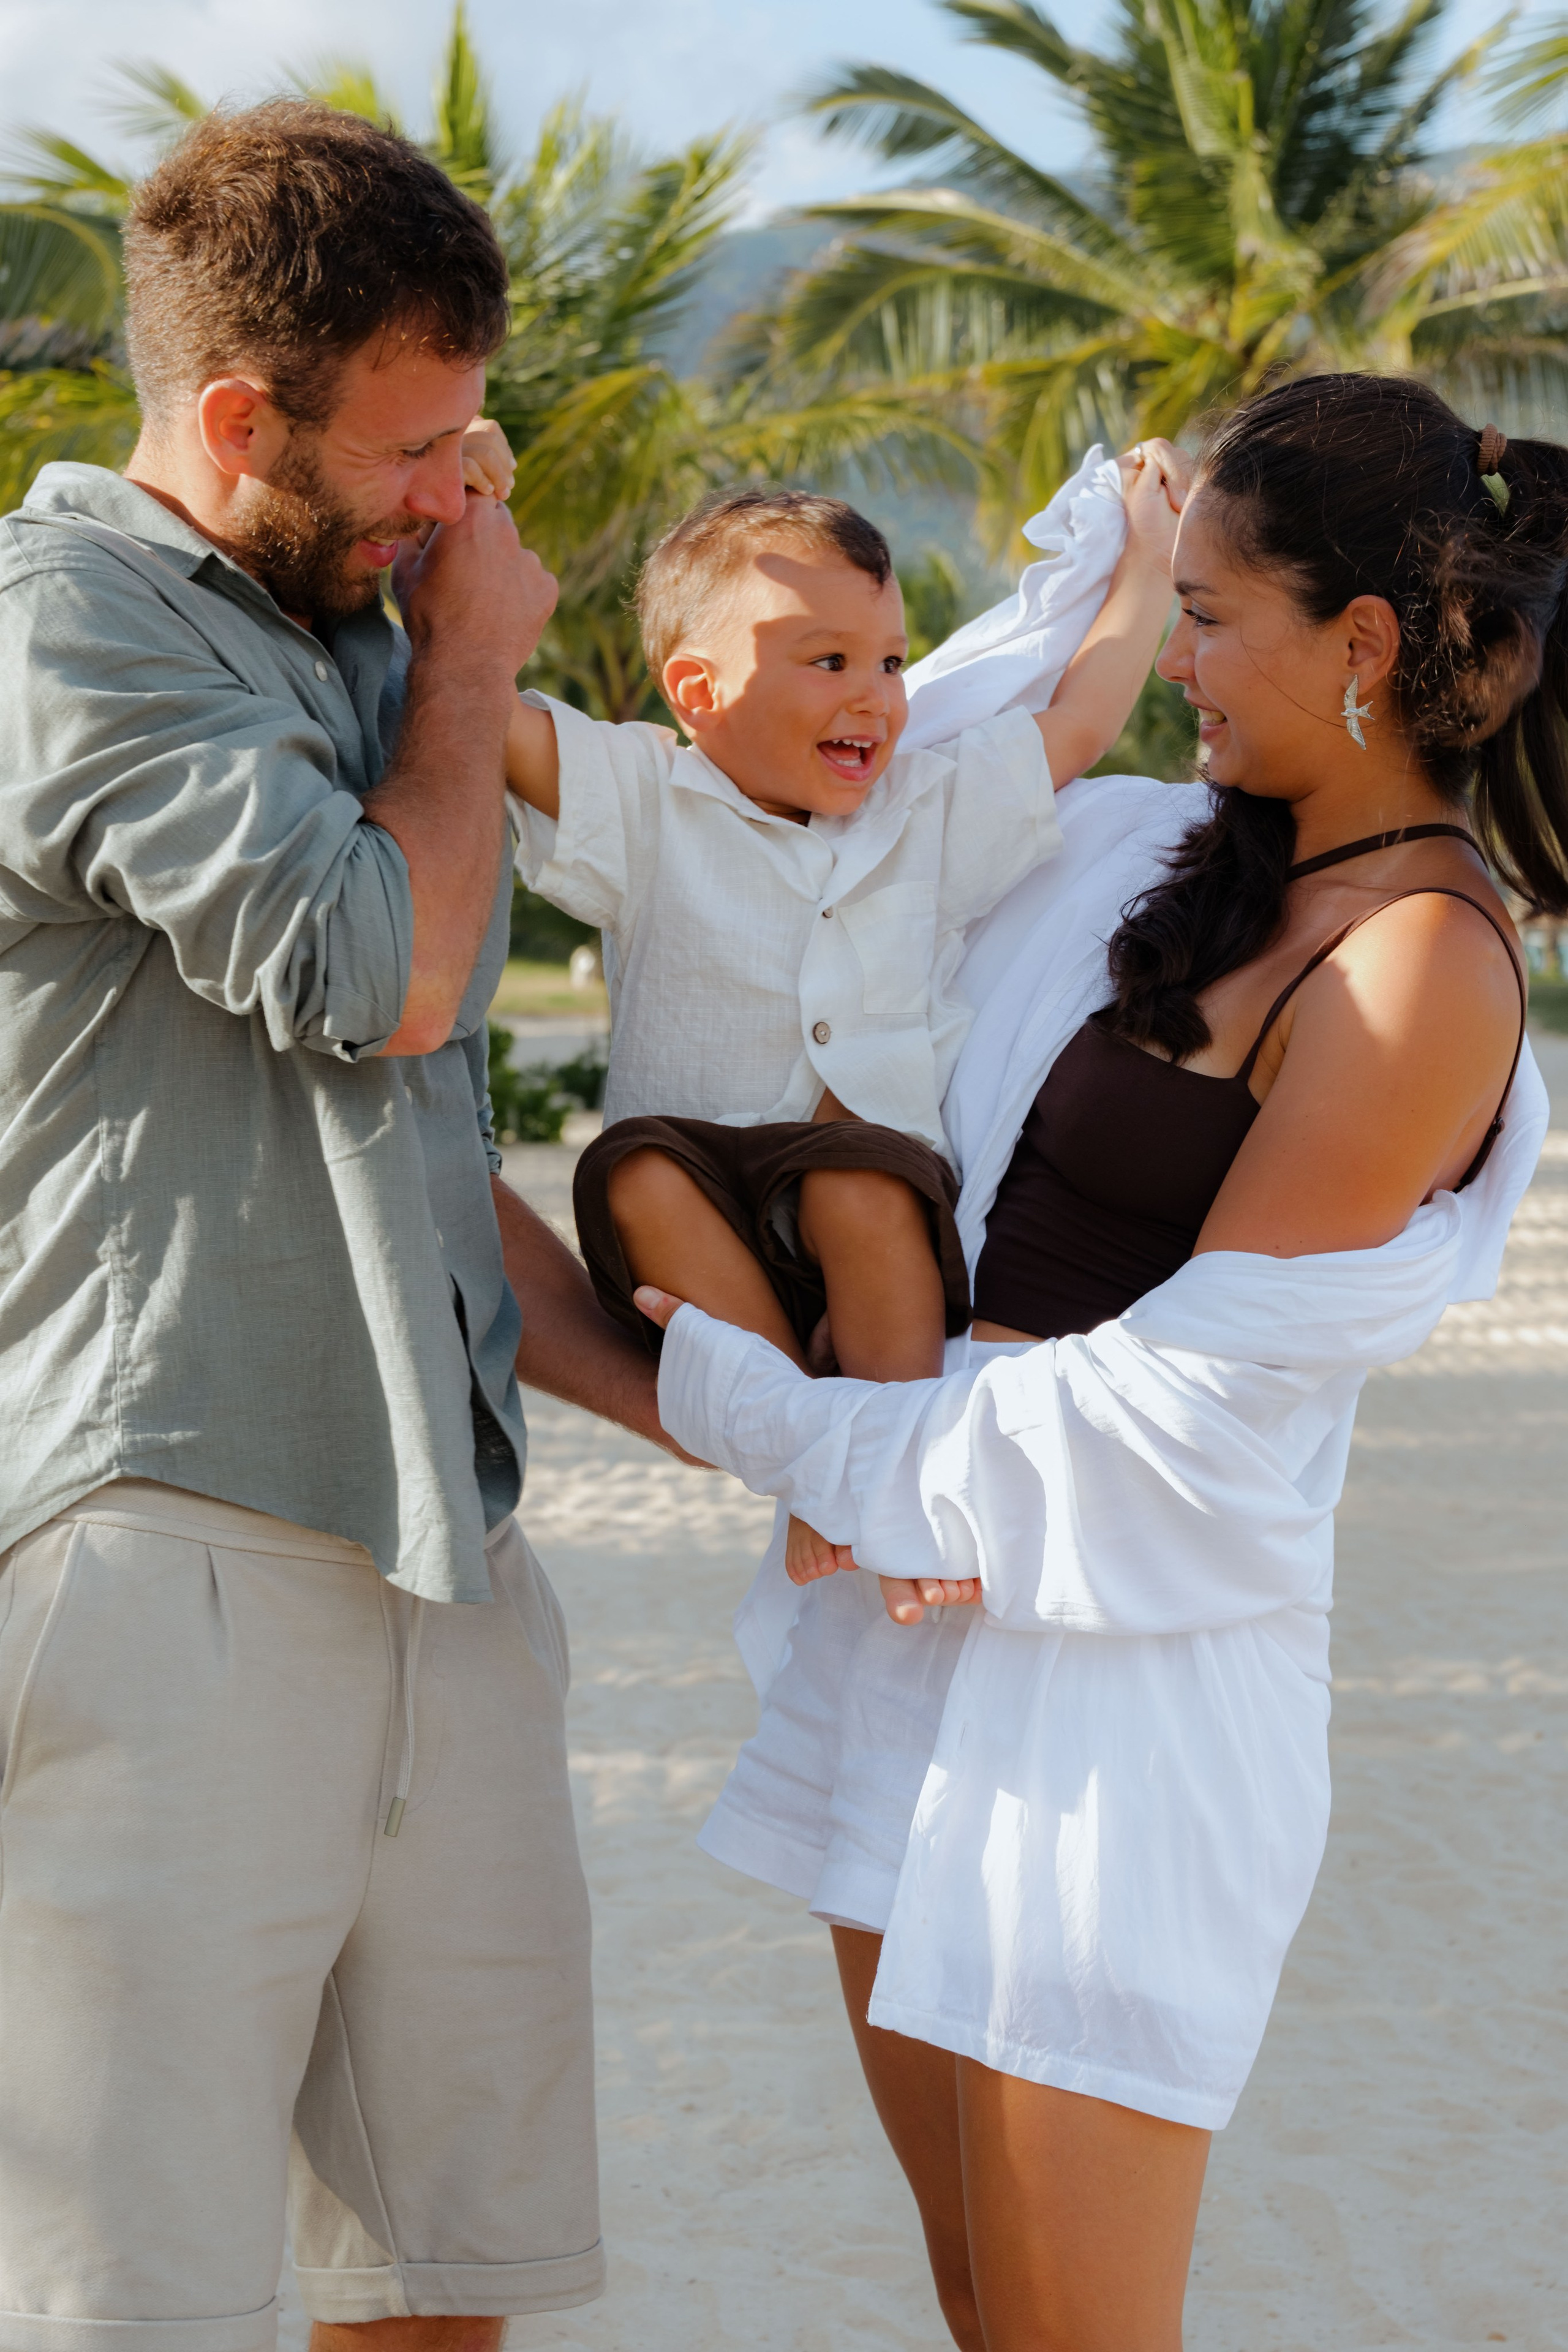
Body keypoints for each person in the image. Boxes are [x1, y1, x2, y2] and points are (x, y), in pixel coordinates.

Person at [635, 374, 1568, 2350]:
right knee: (986, 2312)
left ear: (1368, 647)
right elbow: (881, 798)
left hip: (1121, 1714)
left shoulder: (1417, 964)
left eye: (1219, 619)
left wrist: (770, 1421)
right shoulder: (1157, 849)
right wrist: (1121, 567)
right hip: (917, 1644)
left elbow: (1177, 1419)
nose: (1182, 664)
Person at [0, 101, 675, 2352]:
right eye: (416, 453)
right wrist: (474, 667)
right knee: (140, 2299)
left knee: (443, 2273)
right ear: (229, 416)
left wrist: (709, 1404)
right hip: (168, 1540)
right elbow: (382, 976)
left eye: (473, 443)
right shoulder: (65, 625)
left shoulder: (364, 636)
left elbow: (411, 1140)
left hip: (447, 1562)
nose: (457, 505)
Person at [502, 457, 1182, 1591]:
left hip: (873, 1212)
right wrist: (457, 524)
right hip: (702, 1207)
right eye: (828, 663)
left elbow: (1079, 722)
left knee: (855, 1179)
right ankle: (819, 1465)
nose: (874, 696)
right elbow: (493, 717)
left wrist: (1148, 567)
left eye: (891, 662)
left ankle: (898, 1470)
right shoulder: (648, 800)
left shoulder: (926, 806)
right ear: (697, 691)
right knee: (629, 1172)